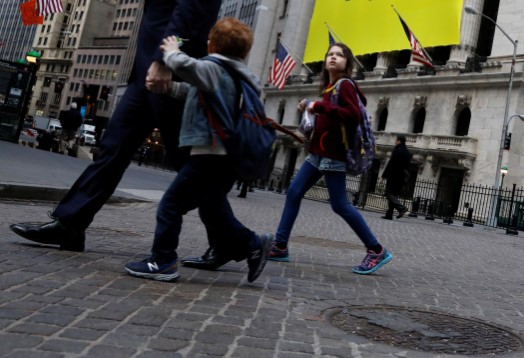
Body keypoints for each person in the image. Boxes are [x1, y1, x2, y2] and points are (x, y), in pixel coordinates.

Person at [10, 0, 224, 252]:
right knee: (113, 148)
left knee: (188, 163)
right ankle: (70, 224)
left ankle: (236, 240)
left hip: (164, 74)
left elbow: (189, 11)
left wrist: (163, 60)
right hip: (146, 76)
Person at [124, 19, 272, 282]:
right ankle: (251, 244)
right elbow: (196, 93)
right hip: (225, 157)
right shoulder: (236, 75)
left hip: (209, 155)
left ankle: (163, 260)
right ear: (245, 52)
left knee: (170, 206)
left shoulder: (213, 68)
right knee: (212, 208)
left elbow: (187, 67)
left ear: (211, 44)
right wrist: (168, 87)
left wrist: (171, 51)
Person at [267, 43, 393, 275]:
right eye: (330, 55)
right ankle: (280, 246)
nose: (333, 58)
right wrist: (311, 107)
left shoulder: (345, 84)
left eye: (339, 55)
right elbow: (328, 114)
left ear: (347, 62)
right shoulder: (330, 87)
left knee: (340, 204)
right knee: (294, 192)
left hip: (333, 155)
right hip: (317, 153)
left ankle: (376, 250)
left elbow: (352, 115)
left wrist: (318, 106)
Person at [382, 135, 411, 220]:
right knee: (393, 195)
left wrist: (384, 175)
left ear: (399, 141)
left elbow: (391, 163)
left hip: (393, 176)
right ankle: (389, 215)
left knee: (388, 193)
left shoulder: (397, 150)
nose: (395, 142)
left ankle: (401, 208)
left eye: (396, 140)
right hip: (401, 177)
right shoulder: (407, 152)